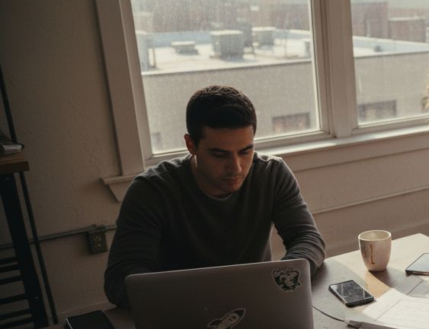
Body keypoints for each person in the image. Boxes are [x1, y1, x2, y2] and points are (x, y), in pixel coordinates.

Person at [104, 85, 326, 308]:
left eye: (245, 151)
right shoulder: (151, 190)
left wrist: (278, 283)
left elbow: (307, 238)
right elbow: (120, 279)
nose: (236, 168)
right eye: (219, 154)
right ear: (191, 145)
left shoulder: (272, 174)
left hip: (256, 305)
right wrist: (197, 299)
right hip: (180, 312)